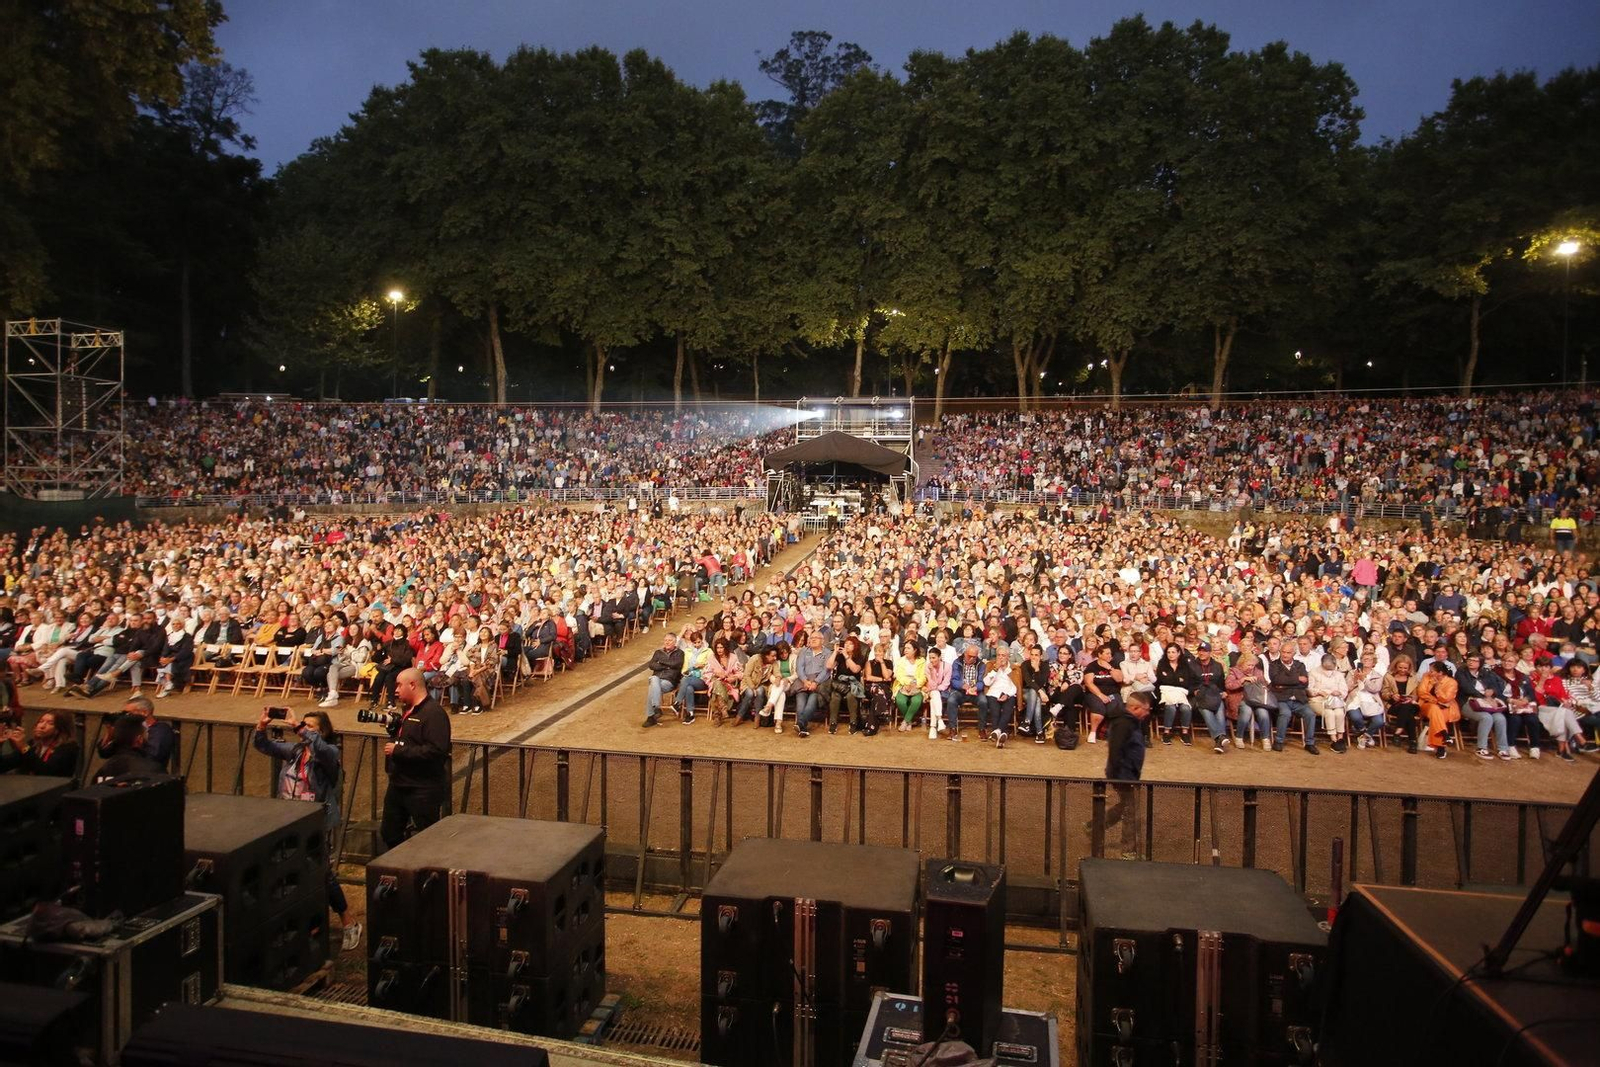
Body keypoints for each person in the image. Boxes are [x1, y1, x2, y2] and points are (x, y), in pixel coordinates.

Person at [251, 706, 362, 950]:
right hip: (289, 819)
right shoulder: (296, 751)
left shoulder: (330, 753)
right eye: (304, 725)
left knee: (322, 873)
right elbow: (264, 746)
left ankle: (348, 922)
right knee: (291, 872)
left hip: (315, 823)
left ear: (323, 731)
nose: (305, 730)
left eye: (311, 727)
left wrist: (298, 728)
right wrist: (261, 725)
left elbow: (321, 749)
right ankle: (307, 924)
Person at [378, 668, 452, 850]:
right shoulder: (407, 710)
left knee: (428, 838)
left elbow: (436, 751)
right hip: (398, 784)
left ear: (412, 685)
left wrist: (399, 751)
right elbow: (409, 739)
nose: (395, 690)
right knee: (389, 833)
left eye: (398, 685)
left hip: (422, 788)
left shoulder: (434, 713)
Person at [1099, 689, 1151, 860]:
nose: (1147, 713)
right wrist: (1120, 775)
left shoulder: (1130, 721)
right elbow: (1116, 750)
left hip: (1127, 773)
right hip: (1123, 774)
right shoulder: (1124, 723)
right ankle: (1128, 851)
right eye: (1146, 709)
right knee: (1131, 812)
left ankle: (1095, 827)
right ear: (1136, 708)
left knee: (1125, 806)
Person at [96, 695, 176, 769]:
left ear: (144, 712)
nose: (126, 717)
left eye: (129, 713)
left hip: (148, 775)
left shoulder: (160, 729)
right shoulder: (127, 730)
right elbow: (104, 753)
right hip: (125, 774)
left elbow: (153, 756)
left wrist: (136, 743)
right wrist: (110, 733)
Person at [1267, 645, 1320, 755]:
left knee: (1310, 714)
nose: (1285, 655)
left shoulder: (1300, 665)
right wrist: (1297, 679)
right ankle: (1278, 741)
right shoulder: (1274, 665)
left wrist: (1284, 684)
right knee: (1285, 714)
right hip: (1282, 699)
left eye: (1288, 653)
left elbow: (1305, 683)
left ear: (1293, 654)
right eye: (1283, 652)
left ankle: (1309, 743)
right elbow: (1276, 680)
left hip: (1299, 699)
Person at [1, 710, 80, 779]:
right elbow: (4, 765)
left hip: (52, 791)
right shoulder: (33, 744)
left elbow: (45, 772)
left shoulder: (68, 747)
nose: (42, 726)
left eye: (50, 723)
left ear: (60, 729)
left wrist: (24, 747)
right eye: (40, 721)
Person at [93, 715, 167, 781]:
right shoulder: (154, 771)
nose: (148, 736)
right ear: (139, 739)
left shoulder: (102, 772)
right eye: (147, 733)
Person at [1154, 643, 1200, 747]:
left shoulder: (1185, 666)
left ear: (1179, 653)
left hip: (1182, 694)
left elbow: (1190, 682)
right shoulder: (1162, 664)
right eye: (1168, 652)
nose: (1170, 654)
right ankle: (1167, 732)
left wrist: (1175, 681)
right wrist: (1179, 681)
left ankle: (1184, 733)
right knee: (1171, 707)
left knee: (1186, 708)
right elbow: (1161, 680)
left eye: (1173, 652)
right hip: (1166, 694)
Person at [1416, 659, 1460, 760]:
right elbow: (1421, 692)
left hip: (1447, 707)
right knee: (1435, 709)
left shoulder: (1452, 682)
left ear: (1440, 673)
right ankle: (1444, 736)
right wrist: (1436, 701)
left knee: (1439, 714)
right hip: (1427, 705)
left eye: (1432, 671)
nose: (1429, 672)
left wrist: (1437, 687)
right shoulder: (1426, 676)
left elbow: (1446, 699)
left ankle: (1442, 744)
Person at [792, 630, 831, 738]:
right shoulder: (804, 651)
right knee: (800, 704)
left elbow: (826, 671)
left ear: (822, 640)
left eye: (816, 638)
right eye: (811, 637)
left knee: (811, 702)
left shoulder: (827, 653)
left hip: (818, 684)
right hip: (803, 683)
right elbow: (799, 668)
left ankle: (800, 724)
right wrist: (805, 680)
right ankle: (803, 729)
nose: (812, 639)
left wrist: (815, 682)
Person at [641, 631, 683, 728]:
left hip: (669, 681)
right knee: (654, 679)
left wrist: (661, 663)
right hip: (657, 680)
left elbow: (676, 664)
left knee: (652, 685)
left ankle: (651, 716)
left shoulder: (680, 653)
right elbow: (651, 665)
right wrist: (667, 666)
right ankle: (656, 707)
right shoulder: (658, 652)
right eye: (665, 640)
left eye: (670, 640)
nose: (667, 642)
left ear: (675, 642)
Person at [893, 640, 928, 733]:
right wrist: (907, 684)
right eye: (905, 648)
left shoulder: (922, 661)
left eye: (908, 648)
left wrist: (915, 684)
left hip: (917, 686)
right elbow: (899, 675)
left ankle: (905, 722)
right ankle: (910, 721)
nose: (905, 650)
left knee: (916, 701)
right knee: (900, 701)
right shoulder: (900, 661)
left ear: (915, 650)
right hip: (903, 685)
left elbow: (923, 676)